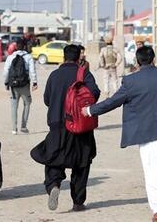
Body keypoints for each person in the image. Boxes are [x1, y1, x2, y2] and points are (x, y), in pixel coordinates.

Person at [82, 46, 157, 222]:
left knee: (153, 172)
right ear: (153, 59)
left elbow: (113, 102)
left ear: (137, 61)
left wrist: (90, 110)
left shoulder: (130, 81)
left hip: (149, 134)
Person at [31, 45, 100, 212]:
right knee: (82, 163)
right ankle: (78, 201)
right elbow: (94, 95)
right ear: (78, 58)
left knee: (53, 158)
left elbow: (47, 99)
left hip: (57, 125)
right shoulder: (84, 74)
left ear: (63, 57)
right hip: (80, 125)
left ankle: (54, 184)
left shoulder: (54, 75)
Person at [3, 39, 38, 134]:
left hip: (13, 86)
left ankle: (14, 129)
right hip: (24, 84)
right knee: (27, 103)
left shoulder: (10, 57)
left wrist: (6, 83)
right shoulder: (29, 57)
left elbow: (6, 71)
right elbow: (32, 71)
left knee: (14, 106)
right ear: (25, 46)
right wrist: (35, 82)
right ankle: (23, 126)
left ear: (16, 47)